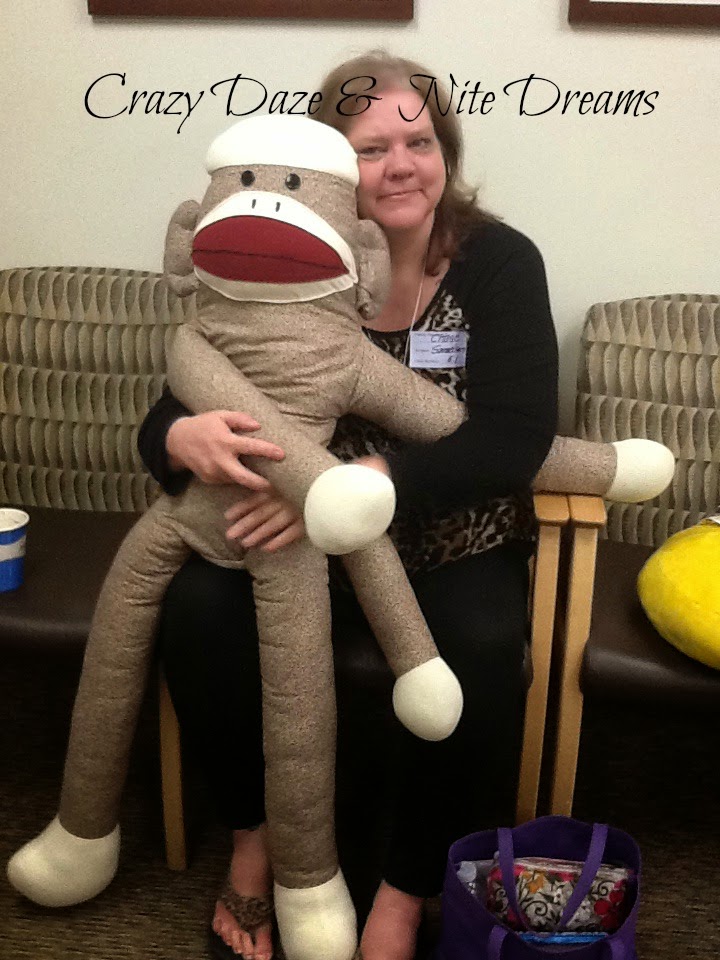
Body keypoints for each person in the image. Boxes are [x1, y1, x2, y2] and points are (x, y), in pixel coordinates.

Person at [138, 51, 558, 960]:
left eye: (421, 142)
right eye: (372, 148)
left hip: (447, 533)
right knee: (198, 612)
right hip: (291, 538)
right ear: (329, 164)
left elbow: (516, 437)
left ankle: (404, 893)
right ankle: (253, 844)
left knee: (483, 648)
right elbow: (177, 400)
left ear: (446, 152)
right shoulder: (285, 251)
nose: (402, 165)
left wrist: (355, 488)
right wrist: (178, 438)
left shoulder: (499, 263)